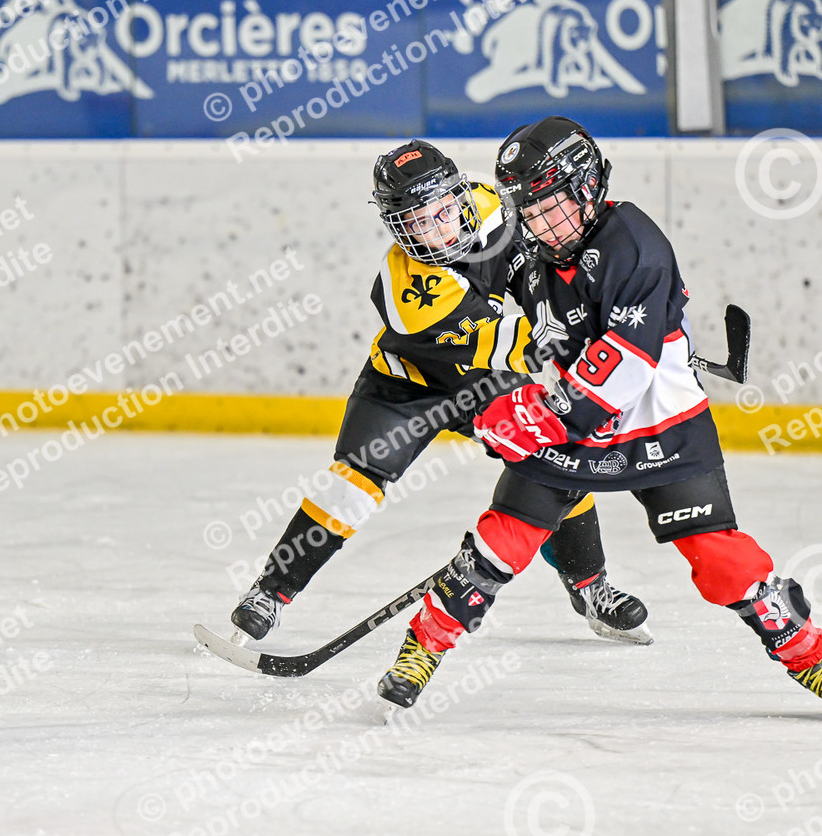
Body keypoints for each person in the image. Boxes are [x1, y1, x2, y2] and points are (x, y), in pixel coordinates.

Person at [375, 117, 822, 717]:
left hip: (660, 424)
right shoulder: (526, 244)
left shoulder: (633, 244)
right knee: (500, 541)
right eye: (528, 210)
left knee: (723, 562)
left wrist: (529, 416)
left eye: (551, 207)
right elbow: (449, 282)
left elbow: (621, 372)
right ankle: (422, 648)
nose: (540, 223)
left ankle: (811, 658)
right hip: (573, 426)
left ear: (587, 188)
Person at [227, 140, 651, 646]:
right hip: (405, 386)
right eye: (417, 222)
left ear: (460, 194)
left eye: (444, 211)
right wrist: (592, 337)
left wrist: (601, 313)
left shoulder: (495, 208)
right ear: (397, 227)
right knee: (351, 487)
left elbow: (538, 276)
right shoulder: (405, 290)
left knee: (558, 462)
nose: (437, 229)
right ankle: (270, 592)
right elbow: (509, 343)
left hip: (482, 383)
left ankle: (590, 587)